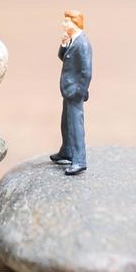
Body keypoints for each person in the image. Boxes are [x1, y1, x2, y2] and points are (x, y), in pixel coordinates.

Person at [50, 9, 92, 175]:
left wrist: (79, 91)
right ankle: (66, 150)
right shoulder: (73, 40)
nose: (64, 24)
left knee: (75, 126)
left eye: (67, 21)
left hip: (74, 92)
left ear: (75, 24)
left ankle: (79, 160)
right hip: (68, 91)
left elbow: (86, 71)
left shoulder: (83, 43)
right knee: (66, 122)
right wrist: (64, 44)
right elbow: (63, 57)